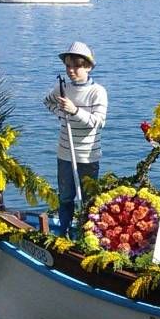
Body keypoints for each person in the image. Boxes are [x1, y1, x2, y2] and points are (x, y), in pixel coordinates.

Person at [43, 42, 108, 235]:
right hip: (65, 153)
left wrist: (74, 111)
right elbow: (47, 101)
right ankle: (64, 232)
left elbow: (97, 122)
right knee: (65, 197)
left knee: (88, 200)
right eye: (68, 66)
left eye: (77, 66)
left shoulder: (98, 92)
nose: (71, 70)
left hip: (88, 155)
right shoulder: (62, 88)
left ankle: (87, 236)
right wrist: (61, 114)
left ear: (88, 66)